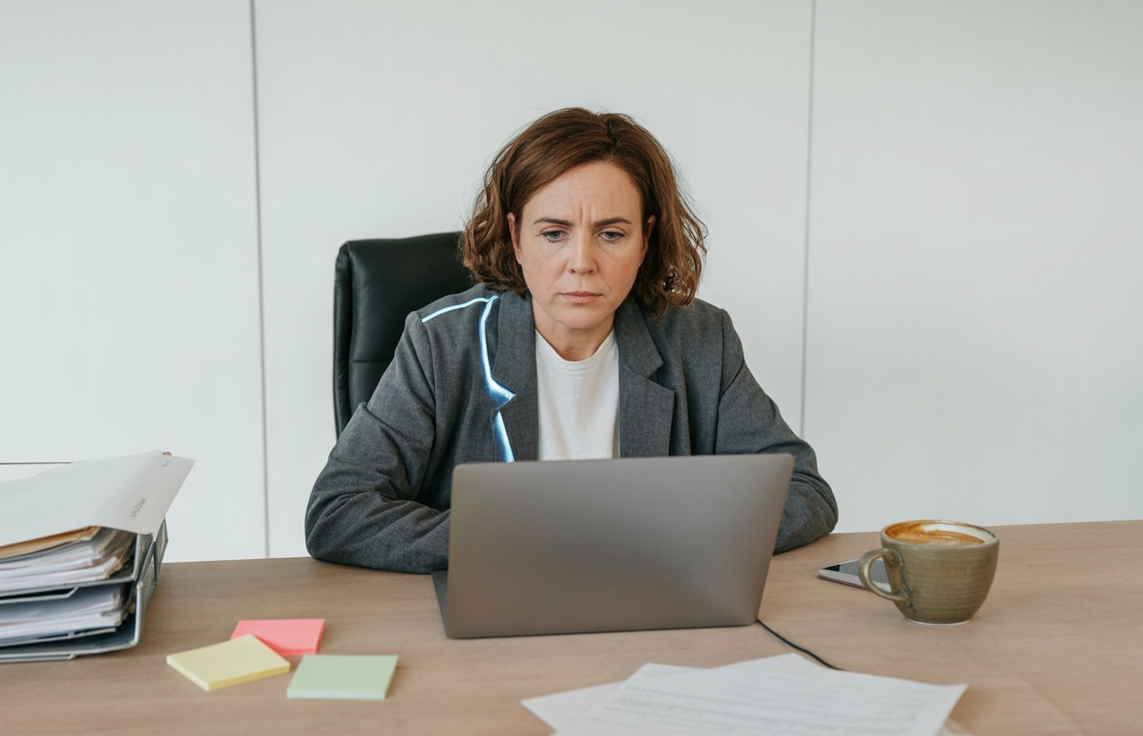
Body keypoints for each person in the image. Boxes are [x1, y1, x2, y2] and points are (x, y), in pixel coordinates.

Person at [305, 108, 836, 574]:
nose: (582, 262)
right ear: (516, 237)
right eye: (554, 233)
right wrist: (520, 543)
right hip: (501, 611)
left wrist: (670, 539)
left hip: (654, 606)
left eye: (612, 234)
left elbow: (804, 492)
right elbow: (338, 510)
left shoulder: (699, 340)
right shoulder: (440, 343)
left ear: (645, 240)